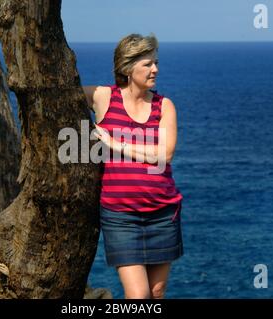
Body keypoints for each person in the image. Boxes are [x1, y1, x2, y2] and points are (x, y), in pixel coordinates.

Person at [82, 33, 184, 299]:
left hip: (163, 213)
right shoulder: (103, 97)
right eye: (148, 64)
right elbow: (57, 95)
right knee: (139, 295)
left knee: (157, 292)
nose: (155, 69)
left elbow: (165, 154)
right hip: (120, 215)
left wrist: (118, 145)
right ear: (127, 68)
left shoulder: (165, 106)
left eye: (156, 63)